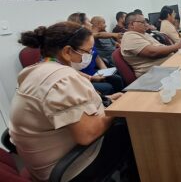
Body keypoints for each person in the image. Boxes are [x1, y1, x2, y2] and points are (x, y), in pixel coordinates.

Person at [9, 22, 138, 181]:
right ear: (68, 51)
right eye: (88, 50)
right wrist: (117, 107)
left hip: (44, 159)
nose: (91, 55)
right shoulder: (62, 79)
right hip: (69, 168)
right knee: (134, 128)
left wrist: (108, 99)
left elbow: (73, 107)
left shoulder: (37, 70)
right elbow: (87, 134)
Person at [68, 13, 124, 94]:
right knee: (107, 87)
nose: (91, 24)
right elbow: (69, 70)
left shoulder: (89, 39)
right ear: (81, 25)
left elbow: (96, 57)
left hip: (94, 72)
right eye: (88, 21)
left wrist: (105, 70)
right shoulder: (72, 46)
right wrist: (91, 78)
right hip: (83, 77)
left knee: (117, 78)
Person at [121, 12, 181, 77]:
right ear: (132, 24)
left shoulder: (143, 34)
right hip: (154, 74)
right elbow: (152, 52)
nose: (146, 24)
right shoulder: (130, 37)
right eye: (143, 22)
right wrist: (176, 46)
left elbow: (159, 47)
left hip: (166, 67)